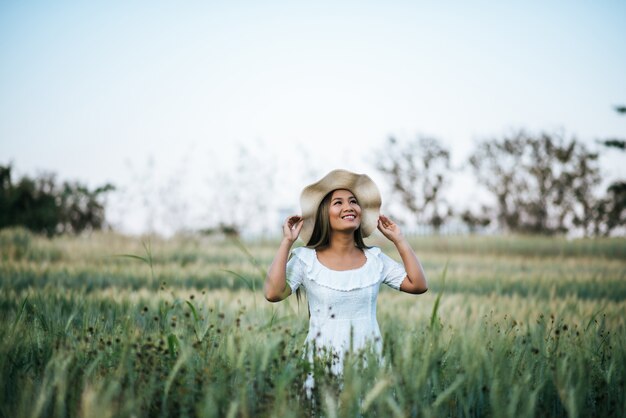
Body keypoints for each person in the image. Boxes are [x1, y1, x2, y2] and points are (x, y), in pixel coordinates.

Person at [264, 169, 428, 392]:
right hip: (321, 365)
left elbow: (418, 285)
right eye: (338, 203)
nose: (349, 207)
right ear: (324, 213)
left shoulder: (375, 259)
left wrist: (399, 240)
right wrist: (287, 242)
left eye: (353, 201)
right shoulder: (306, 260)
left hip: (369, 363)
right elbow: (273, 293)